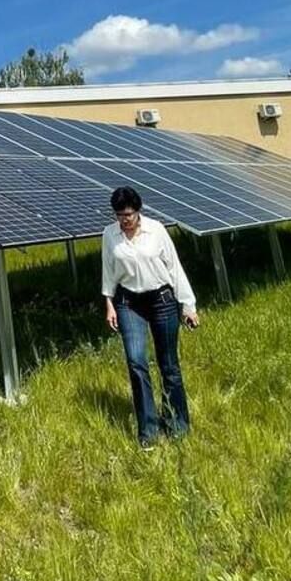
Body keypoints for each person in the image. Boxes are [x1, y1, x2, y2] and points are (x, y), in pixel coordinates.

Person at [101, 186, 200, 449]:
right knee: (136, 362)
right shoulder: (110, 235)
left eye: (129, 215)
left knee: (168, 364)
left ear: (138, 211)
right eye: (120, 215)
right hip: (128, 302)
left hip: (162, 301)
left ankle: (177, 423)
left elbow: (174, 267)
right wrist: (109, 303)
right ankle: (148, 430)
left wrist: (188, 305)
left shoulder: (156, 230)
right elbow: (108, 270)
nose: (124, 220)